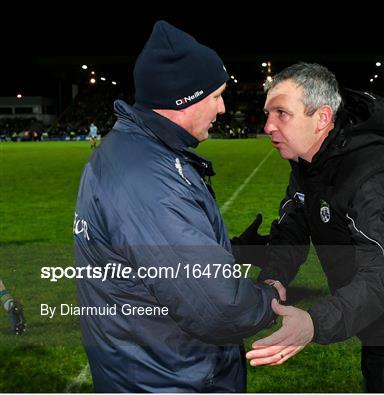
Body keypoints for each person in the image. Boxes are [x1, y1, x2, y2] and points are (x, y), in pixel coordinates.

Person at [74, 21, 280, 392]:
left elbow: (159, 259)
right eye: (216, 96)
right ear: (184, 99)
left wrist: (232, 248)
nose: (222, 108)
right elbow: (218, 307)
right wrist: (271, 298)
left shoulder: (134, 152)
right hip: (170, 378)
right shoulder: (146, 178)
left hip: (151, 369)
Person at [245, 63, 384, 393]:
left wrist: (315, 323)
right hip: (377, 321)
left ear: (322, 118)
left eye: (281, 113)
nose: (268, 125)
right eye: (267, 112)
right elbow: (292, 228)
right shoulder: (308, 162)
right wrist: (275, 276)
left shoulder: (374, 173)